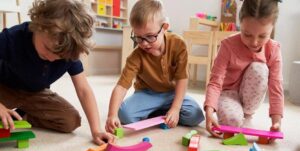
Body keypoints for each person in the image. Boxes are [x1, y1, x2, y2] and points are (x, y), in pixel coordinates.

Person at [0, 0, 115, 145]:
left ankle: (22, 116)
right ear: (39, 26)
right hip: (5, 89)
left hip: (36, 93)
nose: (52, 58)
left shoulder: (68, 50)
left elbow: (84, 90)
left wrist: (96, 130)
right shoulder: (13, 37)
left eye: (60, 56)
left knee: (70, 120)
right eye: (48, 49)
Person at [105, 0, 204, 133]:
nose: (144, 44)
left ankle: (162, 112)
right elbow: (122, 86)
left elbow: (182, 79)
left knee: (195, 115)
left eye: (150, 37)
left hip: (172, 93)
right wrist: (112, 115)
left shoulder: (178, 44)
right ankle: (159, 112)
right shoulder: (136, 56)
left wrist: (175, 108)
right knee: (124, 114)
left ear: (164, 27)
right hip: (147, 94)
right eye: (138, 38)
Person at [204, 0, 283, 138]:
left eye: (262, 36)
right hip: (228, 93)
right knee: (232, 122)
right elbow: (215, 81)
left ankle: (247, 115)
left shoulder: (273, 49)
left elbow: (276, 86)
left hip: (249, 98)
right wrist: (209, 112)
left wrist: (277, 122)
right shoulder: (228, 45)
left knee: (260, 68)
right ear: (240, 23)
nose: (254, 42)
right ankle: (238, 115)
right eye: (247, 34)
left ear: (273, 28)